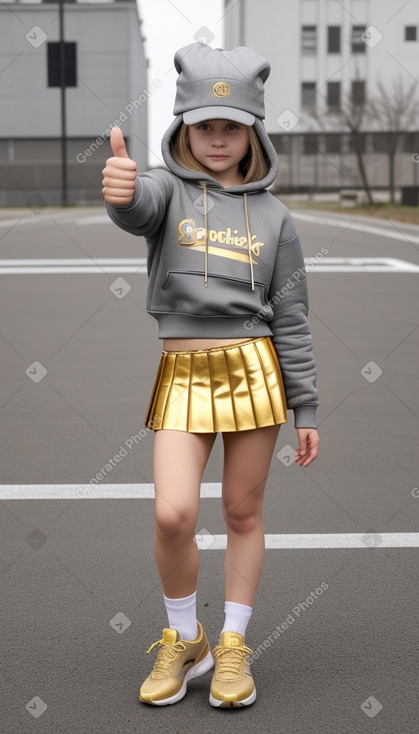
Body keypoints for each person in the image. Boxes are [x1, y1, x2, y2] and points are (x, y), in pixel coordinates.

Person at [102, 42, 319, 709]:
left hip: (256, 369)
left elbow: (293, 318)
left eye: (229, 126)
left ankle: (231, 645)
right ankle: (181, 636)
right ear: (183, 129)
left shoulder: (277, 219)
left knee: (240, 510)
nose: (216, 138)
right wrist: (121, 189)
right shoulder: (166, 192)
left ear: (251, 129)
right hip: (182, 368)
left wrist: (306, 408)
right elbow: (136, 208)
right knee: (173, 514)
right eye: (203, 125)